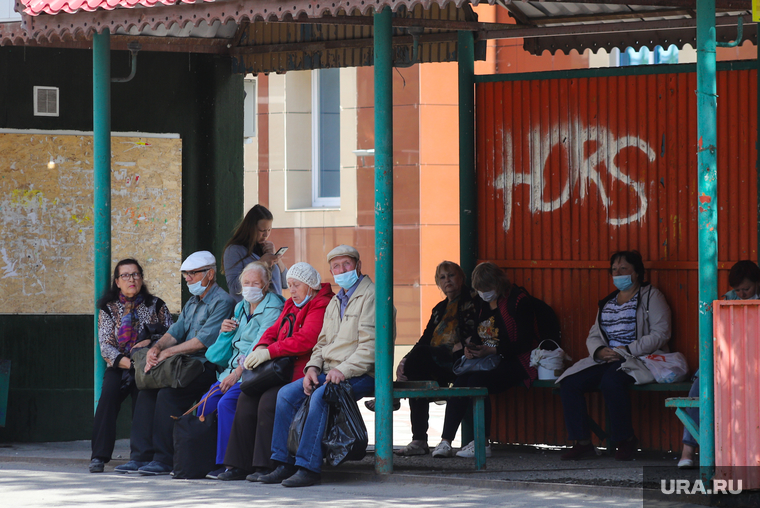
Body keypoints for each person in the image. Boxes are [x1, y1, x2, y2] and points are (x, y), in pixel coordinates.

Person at [256, 244, 390, 488]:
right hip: (329, 370)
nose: (341, 270)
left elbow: (372, 349)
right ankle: (283, 463)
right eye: (336, 266)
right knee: (286, 394)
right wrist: (312, 369)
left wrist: (342, 370)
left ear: (358, 266)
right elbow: (321, 343)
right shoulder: (336, 300)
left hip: (362, 373)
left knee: (321, 395)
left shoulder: (372, 295)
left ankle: (308, 467)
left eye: (346, 264)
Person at [114, 251, 236, 475]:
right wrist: (156, 348)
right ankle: (141, 457)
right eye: (185, 274)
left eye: (192, 273)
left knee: (168, 396)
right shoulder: (192, 302)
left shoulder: (224, 301)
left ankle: (165, 459)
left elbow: (202, 342)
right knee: (146, 391)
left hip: (204, 366)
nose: (187, 278)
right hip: (181, 365)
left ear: (209, 274)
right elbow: (175, 331)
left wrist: (167, 352)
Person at [217, 262, 334, 481]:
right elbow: (274, 329)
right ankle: (239, 465)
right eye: (289, 285)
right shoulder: (291, 303)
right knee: (246, 397)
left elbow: (307, 339)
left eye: (297, 285)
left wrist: (270, 352)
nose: (293, 291)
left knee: (268, 401)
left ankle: (267, 464)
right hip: (279, 369)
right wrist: (262, 345)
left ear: (311, 285)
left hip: (300, 370)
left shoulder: (321, 304)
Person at [558, 250, 672, 461]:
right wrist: (599, 351)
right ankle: (582, 443)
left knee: (611, 382)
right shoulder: (607, 302)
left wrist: (627, 350)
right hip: (608, 359)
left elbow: (661, 333)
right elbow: (594, 335)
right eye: (614, 270)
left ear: (637, 272)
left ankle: (625, 440)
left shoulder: (651, 295)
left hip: (637, 358)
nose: (618, 273)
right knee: (569, 383)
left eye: (624, 269)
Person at [430, 262, 539, 459]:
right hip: (487, 359)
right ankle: (446, 441)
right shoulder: (482, 304)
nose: (484, 294)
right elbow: (477, 334)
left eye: (487, 289)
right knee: (461, 382)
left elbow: (524, 343)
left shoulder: (518, 301)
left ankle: (483, 442)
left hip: (516, 361)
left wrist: (493, 349)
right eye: (480, 290)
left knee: (476, 381)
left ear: (498, 284)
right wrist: (471, 349)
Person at [199, 261, 285, 479]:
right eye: (246, 282)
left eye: (256, 282)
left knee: (227, 404)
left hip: (253, 373)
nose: (250, 287)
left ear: (266, 285)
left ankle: (229, 464)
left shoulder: (273, 308)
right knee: (205, 405)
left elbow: (259, 344)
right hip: (229, 371)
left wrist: (237, 373)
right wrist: (225, 332)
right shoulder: (241, 307)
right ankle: (205, 460)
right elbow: (215, 355)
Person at [90, 259, 174, 473]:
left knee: (143, 397)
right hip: (121, 365)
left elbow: (171, 334)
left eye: (135, 274)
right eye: (125, 275)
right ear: (117, 282)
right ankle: (99, 456)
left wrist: (149, 351)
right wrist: (129, 364)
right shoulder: (108, 308)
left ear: (141, 278)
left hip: (149, 365)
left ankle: (142, 456)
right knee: (108, 396)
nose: (131, 279)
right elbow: (106, 346)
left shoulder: (156, 304)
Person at [678, 259, 760, 469]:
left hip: (754, 363)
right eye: (738, 290)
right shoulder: (726, 300)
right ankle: (687, 451)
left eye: (746, 289)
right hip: (727, 361)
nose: (741, 294)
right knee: (698, 388)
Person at [393, 261, 480, 456]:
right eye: (442, 277)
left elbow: (479, 330)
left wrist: (467, 344)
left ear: (461, 278)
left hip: (462, 359)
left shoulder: (474, 301)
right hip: (438, 361)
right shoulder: (439, 308)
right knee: (416, 373)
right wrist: (405, 360)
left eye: (451, 275)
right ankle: (419, 441)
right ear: (438, 283)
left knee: (421, 356)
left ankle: (394, 396)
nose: (447, 280)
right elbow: (425, 338)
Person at [223, 204, 287, 300]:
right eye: (262, 230)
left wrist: (277, 258)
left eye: (269, 230)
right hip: (252, 311)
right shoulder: (234, 251)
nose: (266, 234)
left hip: (275, 310)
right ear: (250, 228)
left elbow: (286, 283)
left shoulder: (265, 248)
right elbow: (234, 287)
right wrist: (260, 264)